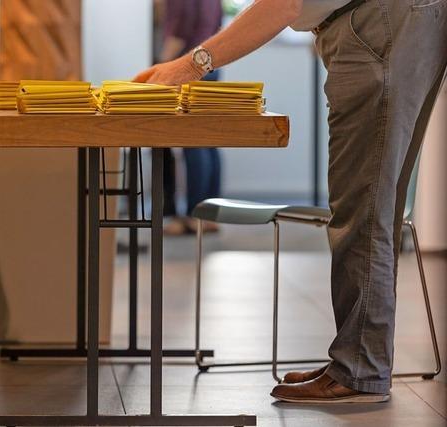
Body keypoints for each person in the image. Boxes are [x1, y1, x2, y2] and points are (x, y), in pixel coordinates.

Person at [136, 0, 446, 404]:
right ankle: (359, 355)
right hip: (399, 19)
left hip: (378, 24)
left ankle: (361, 367)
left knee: (362, 210)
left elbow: (285, 3)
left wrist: (193, 63)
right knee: (374, 206)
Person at [159, 0, 223, 235]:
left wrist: (161, 67)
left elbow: (180, 30)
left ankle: (193, 217)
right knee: (208, 141)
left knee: (193, 142)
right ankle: (211, 216)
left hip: (190, 66)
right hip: (212, 64)